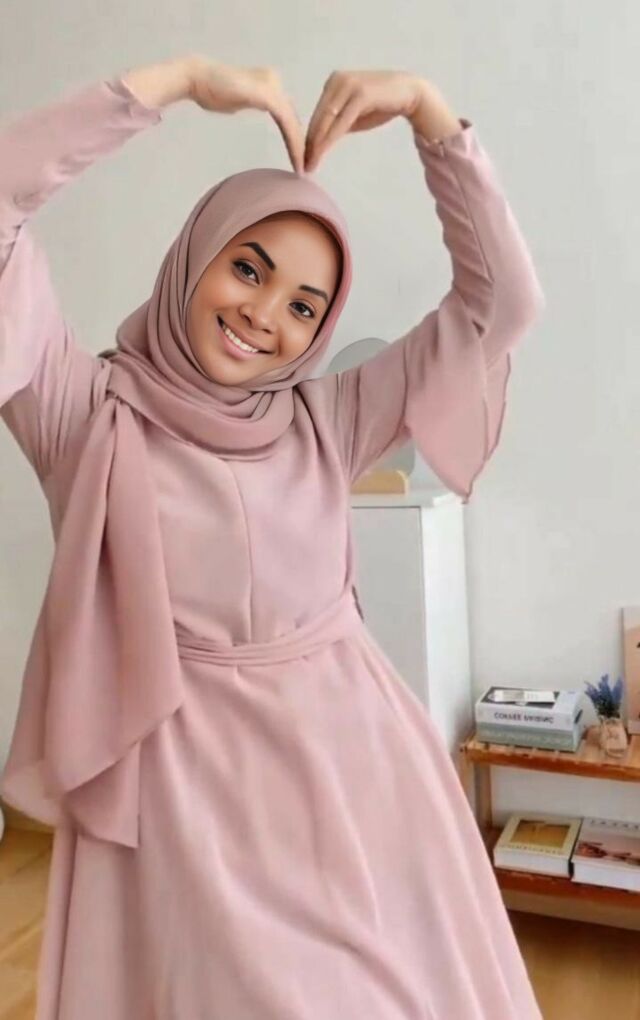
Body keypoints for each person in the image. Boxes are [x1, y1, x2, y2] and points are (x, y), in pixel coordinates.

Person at [0, 54, 544, 1019]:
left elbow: (501, 306)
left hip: (355, 777)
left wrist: (430, 116)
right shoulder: (83, 413)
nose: (262, 316)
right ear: (196, 255)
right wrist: (171, 85)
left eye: (303, 306)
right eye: (247, 268)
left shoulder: (327, 417)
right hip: (180, 801)